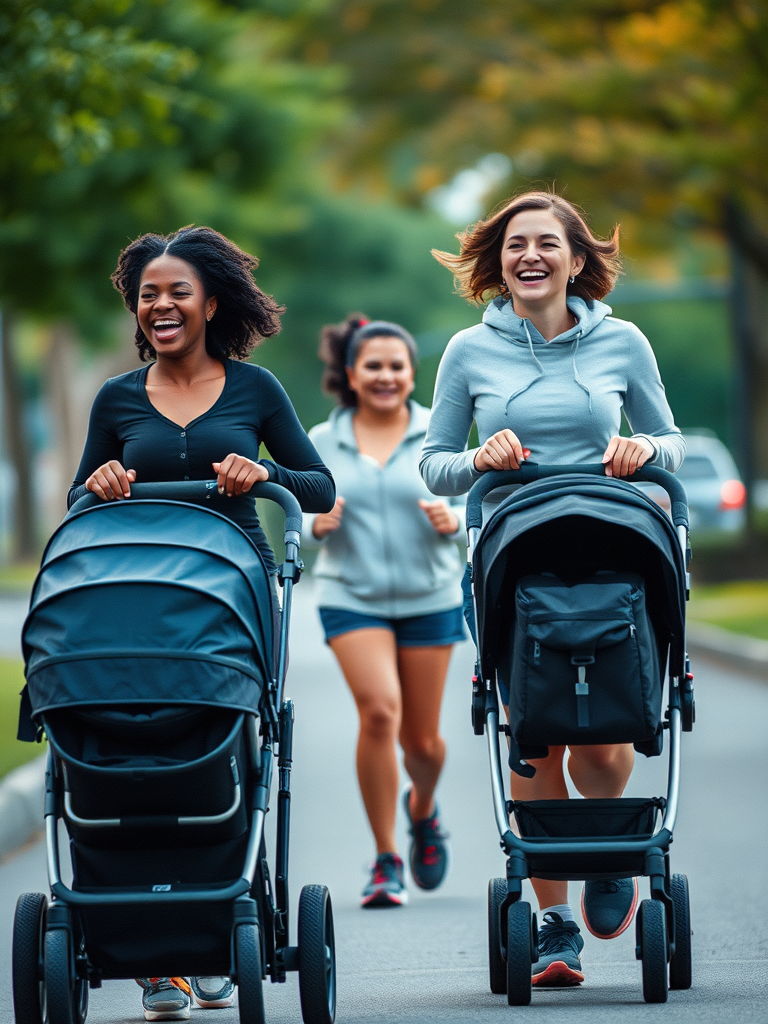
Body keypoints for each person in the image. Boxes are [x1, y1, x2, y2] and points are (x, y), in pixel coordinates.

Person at [68, 225, 335, 1022]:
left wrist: (266, 471)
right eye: (148, 294)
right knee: (139, 743)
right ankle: (154, 945)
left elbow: (315, 489)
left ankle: (223, 922)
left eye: (176, 291)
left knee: (228, 747)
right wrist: (104, 481)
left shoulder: (256, 391)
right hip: (135, 595)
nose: (160, 305)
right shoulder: (116, 398)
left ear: (211, 302)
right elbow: (77, 502)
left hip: (233, 591)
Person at [420, 191, 685, 987]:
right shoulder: (469, 349)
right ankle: (554, 924)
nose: (528, 256)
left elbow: (669, 438)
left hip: (616, 553)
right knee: (531, 727)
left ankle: (608, 852)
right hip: (514, 559)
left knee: (605, 738)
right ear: (496, 263)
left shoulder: (624, 341)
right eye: (513, 245)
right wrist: (479, 461)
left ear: (576, 259)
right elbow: (434, 461)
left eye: (546, 243)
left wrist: (643, 449)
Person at [303, 315, 465, 909]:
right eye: (373, 365)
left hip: (431, 596)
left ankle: (422, 810)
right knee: (378, 714)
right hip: (352, 596)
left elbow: (480, 500)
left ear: (413, 373)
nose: (386, 376)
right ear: (351, 373)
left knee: (423, 744)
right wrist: (313, 524)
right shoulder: (321, 440)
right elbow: (294, 516)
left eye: (397, 365)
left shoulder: (438, 432)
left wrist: (459, 522)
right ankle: (385, 858)